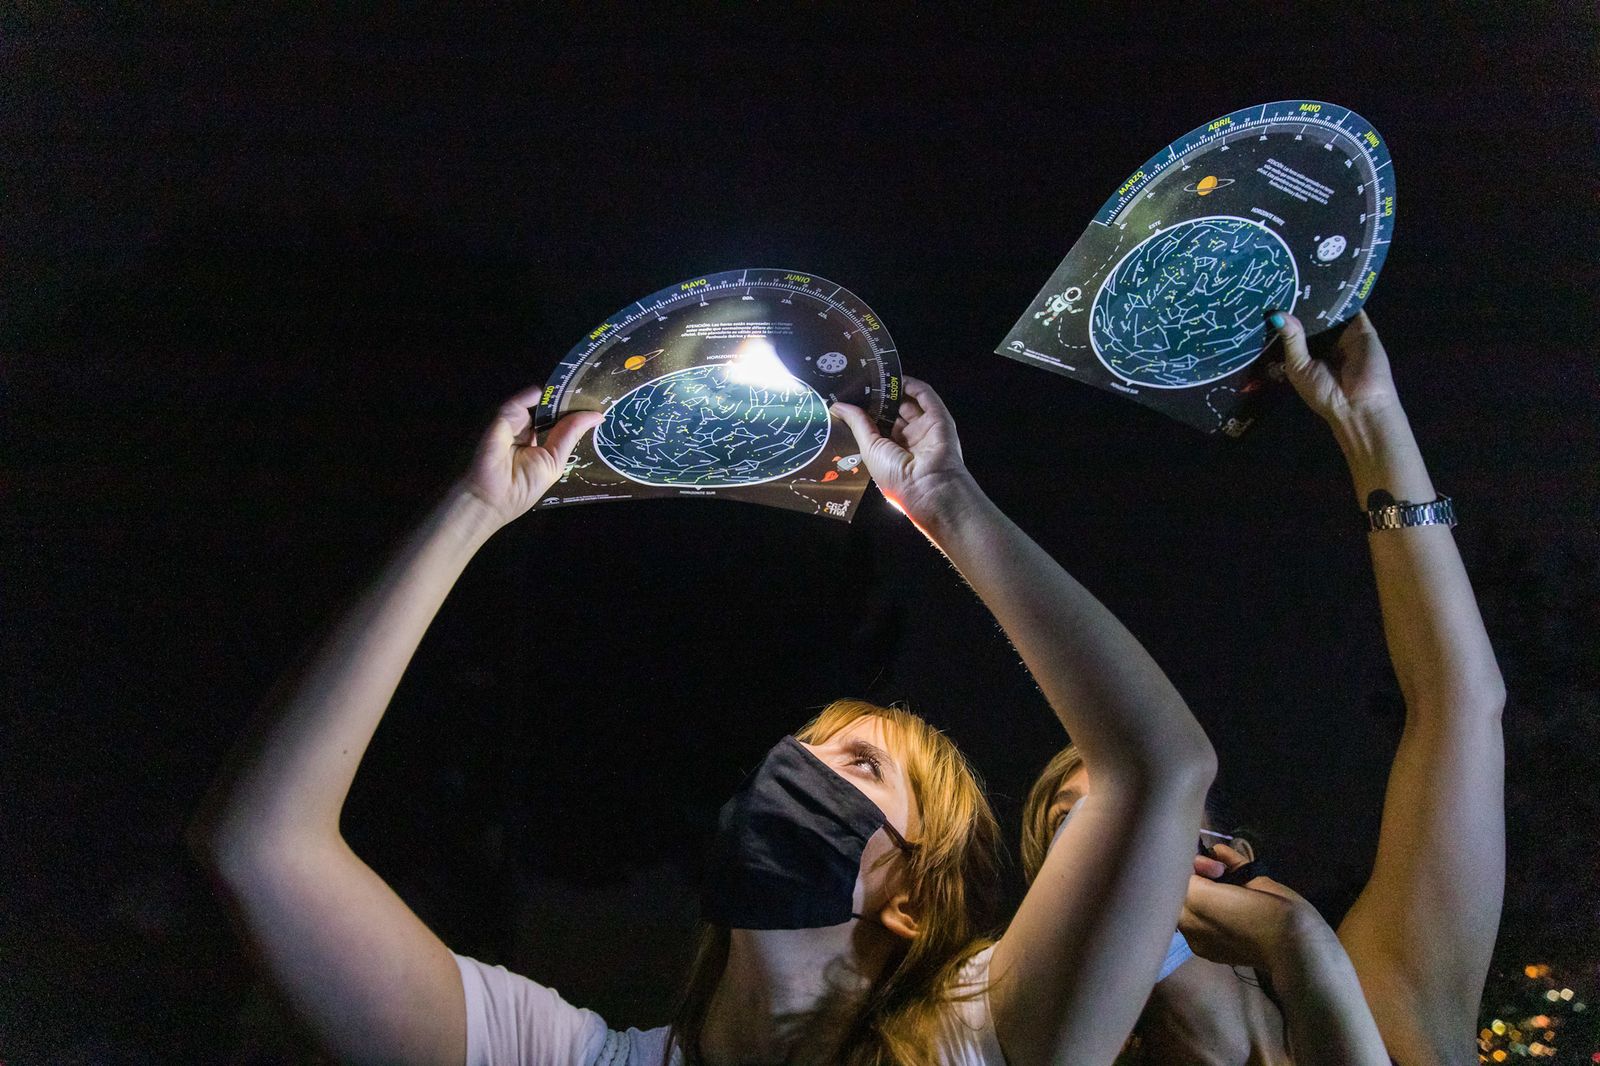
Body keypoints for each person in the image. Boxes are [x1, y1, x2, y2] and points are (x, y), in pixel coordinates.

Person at [191, 374, 1219, 1066]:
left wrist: (947, 502)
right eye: (805, 746)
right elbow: (261, 845)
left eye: (856, 764)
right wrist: (473, 511)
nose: (793, 768)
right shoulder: (566, 1051)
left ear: (908, 895)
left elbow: (1158, 767)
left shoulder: (983, 1036)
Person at [1017, 310, 1507, 1066]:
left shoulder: (1383, 1000)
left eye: (1154, 815)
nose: (1123, 847)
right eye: (1079, 824)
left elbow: (1461, 706)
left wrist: (1372, 426)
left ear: (1228, 860)